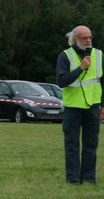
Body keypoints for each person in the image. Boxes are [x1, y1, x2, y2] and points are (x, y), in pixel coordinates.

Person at [56, 25, 104, 185]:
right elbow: (62, 81)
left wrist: (102, 105)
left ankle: (89, 178)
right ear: (75, 39)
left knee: (91, 144)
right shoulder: (65, 56)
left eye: (90, 37)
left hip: (93, 107)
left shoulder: (99, 55)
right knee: (72, 145)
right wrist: (80, 68)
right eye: (84, 38)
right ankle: (73, 179)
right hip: (73, 108)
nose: (88, 40)